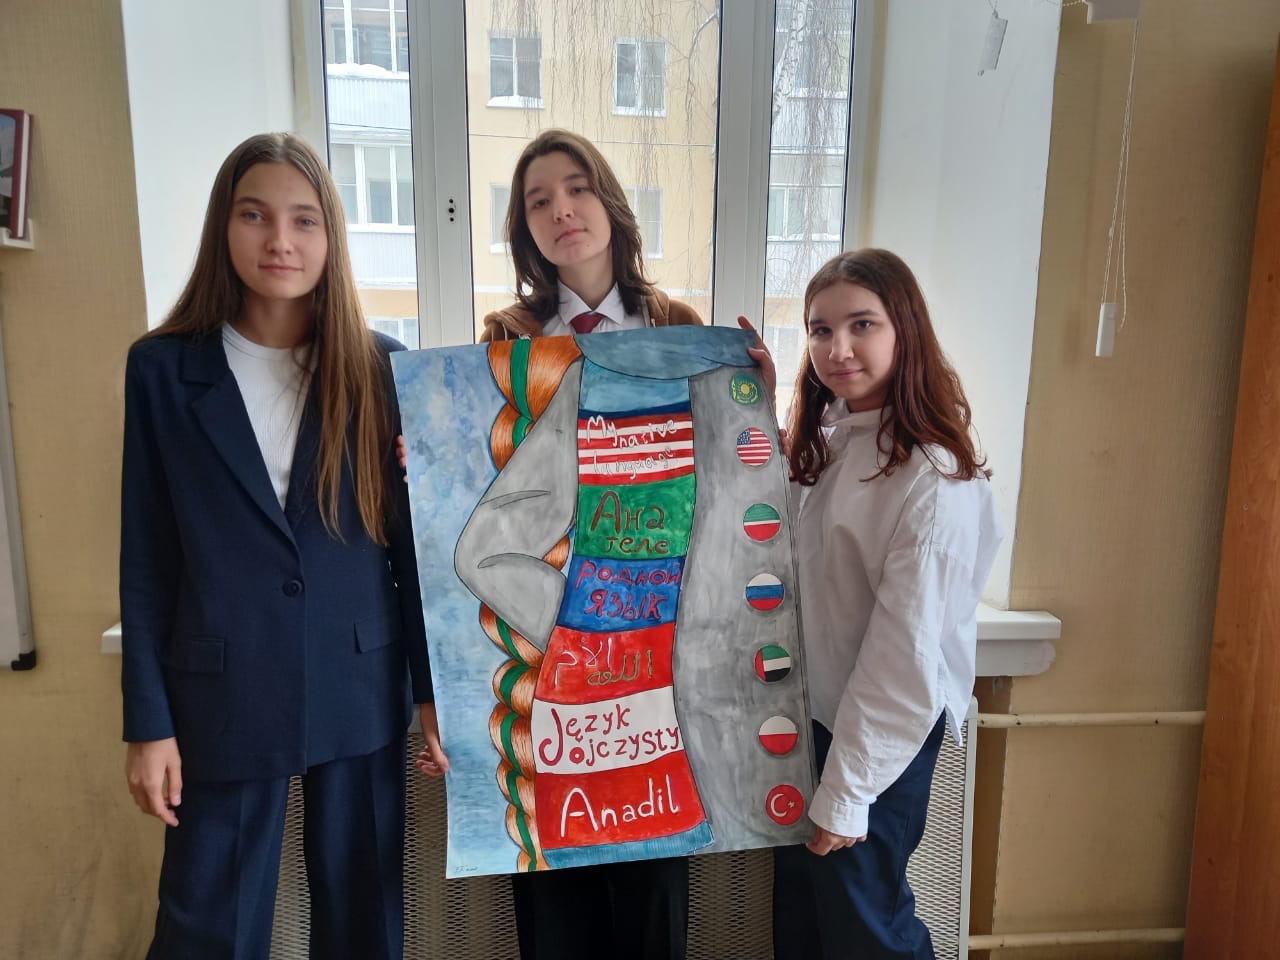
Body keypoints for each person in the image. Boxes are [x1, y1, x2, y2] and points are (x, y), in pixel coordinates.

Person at [120, 131, 448, 960]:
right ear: (222, 227)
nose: (280, 240)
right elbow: (147, 558)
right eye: (254, 215)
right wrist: (147, 724)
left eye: (305, 220)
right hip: (220, 690)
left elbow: (410, 553)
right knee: (206, 929)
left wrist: (431, 691)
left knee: (365, 923)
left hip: (358, 680)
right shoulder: (162, 370)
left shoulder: (381, 369)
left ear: (331, 237)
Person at [476, 128, 702, 960]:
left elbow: (720, 478)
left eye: (576, 189)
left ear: (609, 202)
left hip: (660, 652)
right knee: (558, 902)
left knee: (653, 902)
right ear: (525, 229)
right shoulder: (505, 335)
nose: (562, 210)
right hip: (561, 659)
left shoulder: (678, 324)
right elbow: (486, 495)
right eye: (539, 201)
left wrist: (752, 396)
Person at [762, 249, 1003, 960]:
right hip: (813, 719)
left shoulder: (934, 477)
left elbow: (905, 655)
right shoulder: (834, 440)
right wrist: (760, 404)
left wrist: (847, 789)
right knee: (804, 924)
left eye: (861, 325)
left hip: (874, 735)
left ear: (905, 329)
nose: (837, 349)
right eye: (820, 329)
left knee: (866, 931)